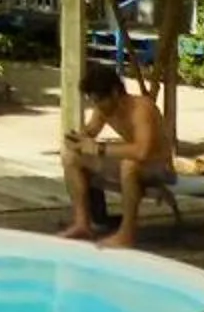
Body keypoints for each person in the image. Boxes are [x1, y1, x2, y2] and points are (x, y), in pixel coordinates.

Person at [60, 61, 172, 248]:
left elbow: (142, 151)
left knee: (129, 164)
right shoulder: (105, 109)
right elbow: (91, 131)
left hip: (159, 166)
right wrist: (79, 139)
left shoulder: (141, 108)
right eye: (93, 100)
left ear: (115, 92)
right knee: (71, 156)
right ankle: (82, 223)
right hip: (131, 163)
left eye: (100, 100)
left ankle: (126, 234)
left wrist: (99, 149)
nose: (97, 105)